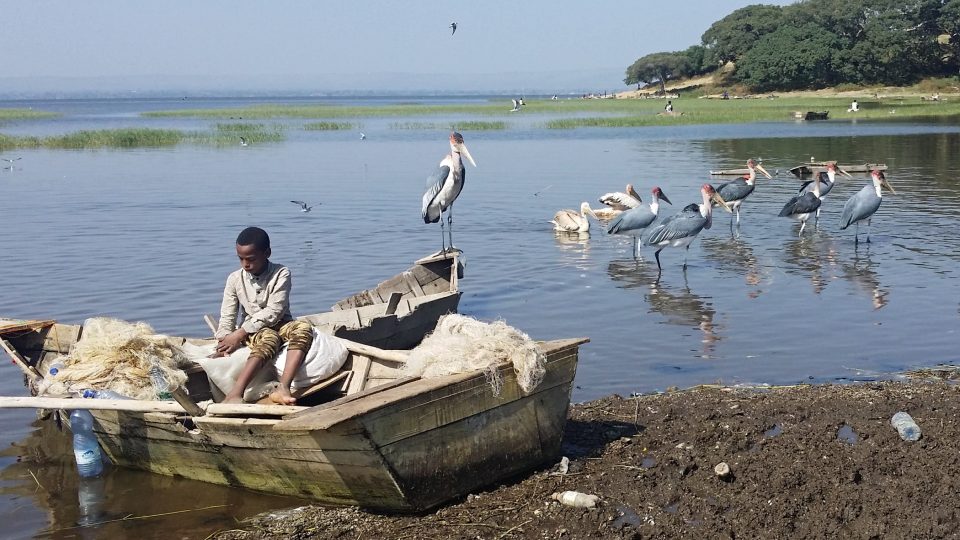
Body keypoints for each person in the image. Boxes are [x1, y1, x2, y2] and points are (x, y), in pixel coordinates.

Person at [213, 227, 314, 405]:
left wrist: (240, 333)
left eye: (251, 259)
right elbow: (228, 315)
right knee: (270, 338)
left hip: (281, 323)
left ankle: (284, 386)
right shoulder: (234, 279)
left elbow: (275, 310)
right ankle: (235, 393)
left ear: (267, 253)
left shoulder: (281, 273)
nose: (245, 264)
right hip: (255, 329)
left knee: (304, 328)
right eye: (241, 259)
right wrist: (224, 340)